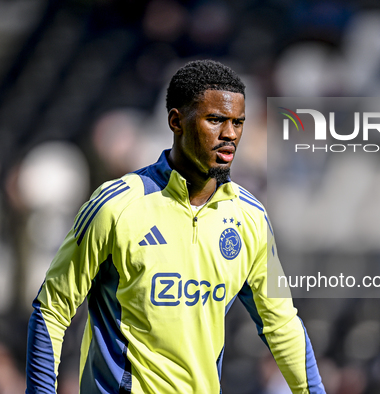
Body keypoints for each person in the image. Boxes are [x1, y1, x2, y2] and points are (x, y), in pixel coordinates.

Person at [25, 60, 325, 393]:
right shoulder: (116, 205)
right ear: (176, 121)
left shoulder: (249, 217)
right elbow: (51, 308)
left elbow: (281, 325)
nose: (229, 134)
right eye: (215, 120)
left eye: (238, 123)